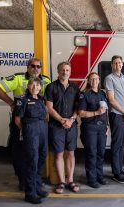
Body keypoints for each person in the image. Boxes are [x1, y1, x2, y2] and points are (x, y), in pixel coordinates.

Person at [0, 58, 51, 190]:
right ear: (28, 67)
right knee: (20, 152)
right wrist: (11, 103)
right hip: (21, 120)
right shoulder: (18, 78)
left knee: (39, 153)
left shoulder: (46, 80)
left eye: (38, 66)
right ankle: (23, 181)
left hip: (38, 123)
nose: (35, 69)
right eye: (32, 66)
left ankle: (35, 180)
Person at [45, 61, 80, 194]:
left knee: (70, 153)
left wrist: (71, 120)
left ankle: (70, 180)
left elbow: (78, 107)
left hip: (71, 125)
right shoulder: (51, 87)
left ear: (70, 72)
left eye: (67, 70)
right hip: (56, 126)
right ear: (58, 71)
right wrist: (61, 120)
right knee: (59, 153)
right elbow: (49, 107)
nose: (65, 72)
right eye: (62, 70)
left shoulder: (75, 88)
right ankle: (61, 182)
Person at [14, 77, 48, 204]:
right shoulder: (23, 100)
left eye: (37, 85)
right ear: (28, 86)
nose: (35, 87)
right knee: (32, 161)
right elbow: (17, 120)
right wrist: (26, 132)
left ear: (40, 87)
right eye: (32, 85)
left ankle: (37, 186)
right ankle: (30, 193)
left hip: (43, 129)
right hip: (31, 130)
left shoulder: (42, 99)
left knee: (42, 157)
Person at [104, 55, 124, 184]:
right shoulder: (109, 79)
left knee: (122, 144)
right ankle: (116, 173)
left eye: (120, 63)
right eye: (115, 63)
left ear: (122, 65)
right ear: (112, 65)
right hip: (116, 115)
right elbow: (111, 100)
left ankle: (120, 168)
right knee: (116, 145)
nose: (118, 65)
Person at [78, 72, 108, 188]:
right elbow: (81, 113)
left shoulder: (102, 94)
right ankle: (91, 179)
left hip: (102, 128)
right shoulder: (84, 94)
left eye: (96, 79)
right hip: (90, 128)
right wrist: (96, 112)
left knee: (101, 153)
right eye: (92, 79)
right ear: (88, 81)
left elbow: (106, 111)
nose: (94, 81)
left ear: (99, 80)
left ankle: (99, 176)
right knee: (91, 154)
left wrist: (107, 125)